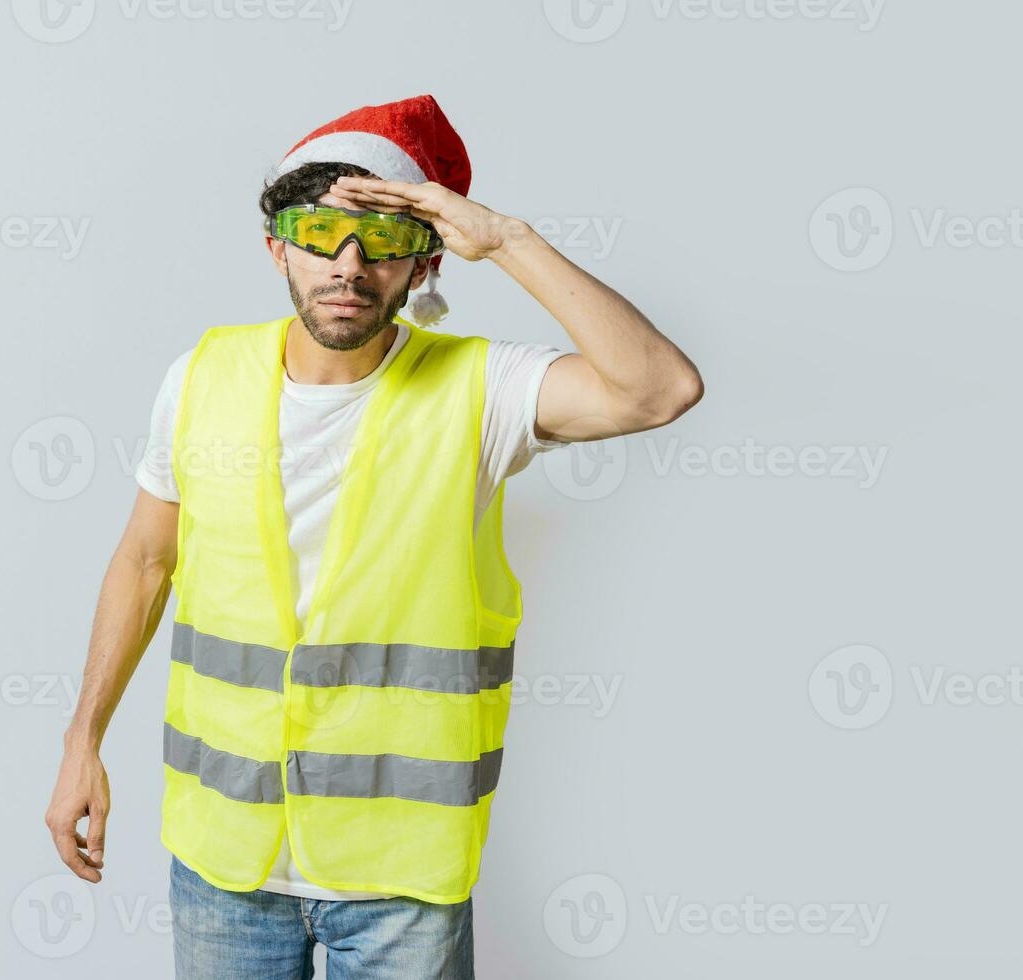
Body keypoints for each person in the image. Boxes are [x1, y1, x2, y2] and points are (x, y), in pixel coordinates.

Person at [45, 94, 703, 979]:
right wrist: (81, 741)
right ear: (276, 245)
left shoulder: (483, 388)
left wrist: (504, 239)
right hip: (224, 859)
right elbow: (144, 559)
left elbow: (657, 389)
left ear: (422, 262)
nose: (347, 266)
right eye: (319, 233)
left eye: (384, 241)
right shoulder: (201, 375)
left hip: (399, 877)